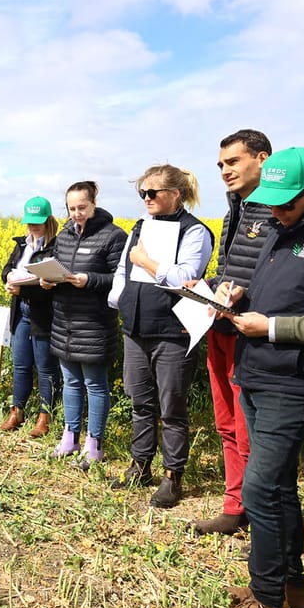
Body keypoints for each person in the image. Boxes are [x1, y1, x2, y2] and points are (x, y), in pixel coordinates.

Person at [217, 147, 304, 608]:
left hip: (296, 380)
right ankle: (289, 585)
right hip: (257, 372)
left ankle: (266, 602)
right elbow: (281, 287)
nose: (276, 211)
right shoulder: (284, 224)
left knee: (259, 488)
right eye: (271, 202)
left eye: (287, 203)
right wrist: (239, 295)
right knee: (278, 486)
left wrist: (272, 327)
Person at [107, 165, 214, 508]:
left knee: (172, 407)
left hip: (173, 332)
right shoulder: (140, 226)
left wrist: (148, 261)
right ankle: (141, 465)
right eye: (143, 193)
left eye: (153, 192)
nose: (147, 198)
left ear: (176, 195)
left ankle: (172, 475)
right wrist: (119, 301)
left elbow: (186, 277)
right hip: (136, 328)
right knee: (140, 400)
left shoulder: (195, 232)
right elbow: (124, 269)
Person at [192, 130, 272, 535]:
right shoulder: (233, 209)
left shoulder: (278, 209)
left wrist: (244, 294)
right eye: (221, 164)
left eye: (233, 162)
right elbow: (231, 269)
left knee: (248, 428)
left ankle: (261, 518)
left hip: (249, 333)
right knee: (226, 422)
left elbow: (281, 279)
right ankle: (233, 504)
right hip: (219, 327)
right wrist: (208, 287)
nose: (225, 171)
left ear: (262, 158)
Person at [46, 181, 127, 468]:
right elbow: (55, 263)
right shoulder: (65, 234)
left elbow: (120, 279)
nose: (76, 213)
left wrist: (89, 280)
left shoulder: (113, 236)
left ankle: (95, 444)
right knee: (70, 382)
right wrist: (47, 279)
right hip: (64, 321)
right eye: (71, 208)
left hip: (94, 323)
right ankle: (70, 436)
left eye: (82, 207)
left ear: (94, 203)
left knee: (94, 384)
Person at [0, 196, 61, 436]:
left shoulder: (55, 247)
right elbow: (6, 269)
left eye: (37, 222)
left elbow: (52, 283)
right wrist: (8, 279)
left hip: (43, 313)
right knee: (21, 364)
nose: (32, 227)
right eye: (29, 222)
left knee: (45, 368)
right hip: (20, 310)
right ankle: (17, 411)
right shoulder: (22, 245)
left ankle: (45, 416)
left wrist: (23, 287)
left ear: (48, 221)